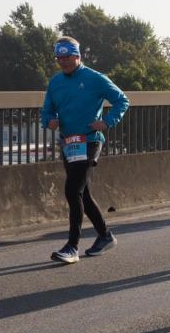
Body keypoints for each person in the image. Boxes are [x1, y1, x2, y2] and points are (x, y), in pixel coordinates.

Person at [41, 37, 130, 264]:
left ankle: (72, 246)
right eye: (59, 58)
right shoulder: (55, 82)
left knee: (72, 191)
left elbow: (122, 100)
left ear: (77, 56)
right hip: (69, 143)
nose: (63, 62)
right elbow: (47, 110)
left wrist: (108, 121)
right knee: (83, 194)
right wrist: (49, 120)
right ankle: (105, 236)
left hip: (89, 141)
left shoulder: (95, 78)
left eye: (67, 57)